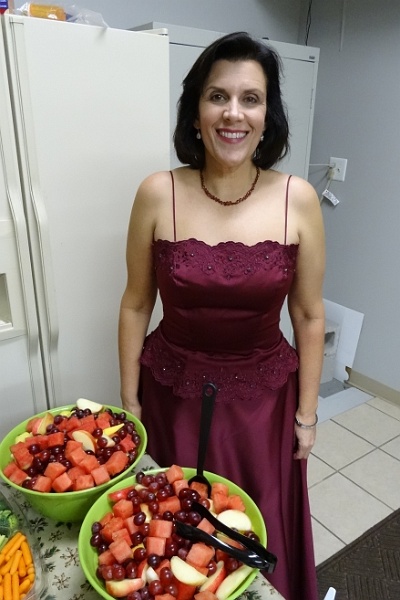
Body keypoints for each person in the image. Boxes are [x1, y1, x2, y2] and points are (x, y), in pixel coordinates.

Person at [118, 31, 325, 600]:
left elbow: (309, 316)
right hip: (171, 396)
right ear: (195, 113)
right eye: (218, 96)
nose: (234, 113)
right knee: (168, 540)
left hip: (264, 408)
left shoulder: (298, 198)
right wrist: (130, 400)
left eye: (250, 99)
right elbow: (136, 302)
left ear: (267, 115)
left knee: (252, 541)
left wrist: (307, 416)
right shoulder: (157, 192)